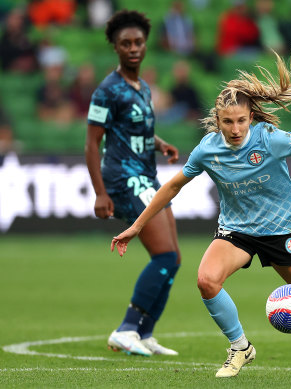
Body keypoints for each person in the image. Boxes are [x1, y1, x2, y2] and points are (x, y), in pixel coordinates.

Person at [111, 51, 291, 379]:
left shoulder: (268, 139)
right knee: (206, 280)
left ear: (251, 118)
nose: (235, 129)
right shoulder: (207, 149)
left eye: (241, 120)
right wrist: (136, 226)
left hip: (279, 229)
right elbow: (173, 186)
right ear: (218, 120)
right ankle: (240, 347)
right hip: (237, 230)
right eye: (228, 121)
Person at [84, 10, 181, 357]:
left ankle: (144, 332)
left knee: (175, 258)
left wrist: (160, 144)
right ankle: (126, 329)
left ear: (145, 44)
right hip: (124, 179)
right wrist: (100, 192)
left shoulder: (143, 88)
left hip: (148, 177)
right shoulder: (107, 91)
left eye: (138, 42)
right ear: (115, 47)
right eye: (126, 43)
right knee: (164, 256)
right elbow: (92, 143)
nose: (133, 48)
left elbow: (138, 130)